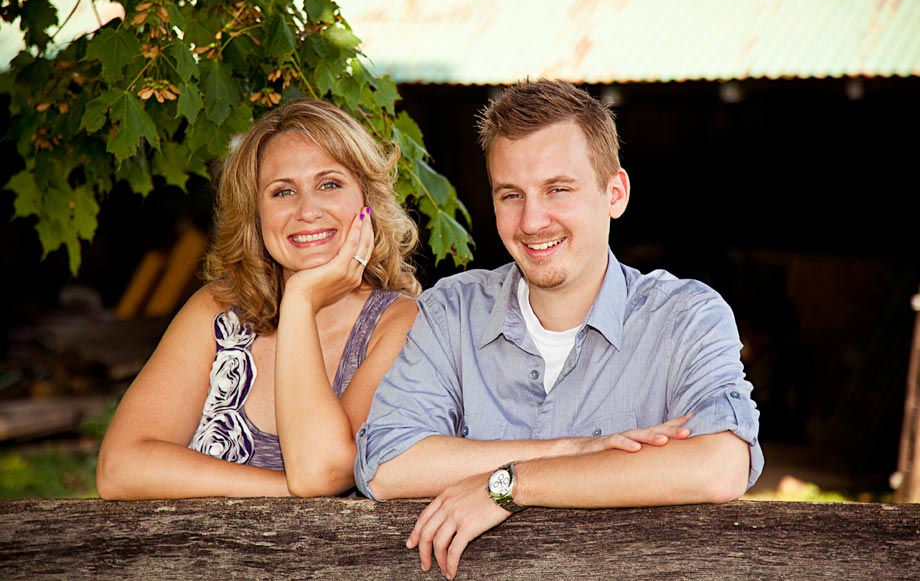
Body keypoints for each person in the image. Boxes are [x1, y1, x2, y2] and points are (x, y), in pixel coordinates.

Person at [354, 79, 763, 579]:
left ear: (615, 193)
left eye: (558, 189)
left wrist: (509, 485)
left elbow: (718, 464)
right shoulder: (450, 312)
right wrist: (577, 449)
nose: (532, 221)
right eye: (511, 195)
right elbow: (387, 463)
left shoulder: (685, 317)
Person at [96, 98, 421, 500]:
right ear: (256, 214)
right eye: (282, 192)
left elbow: (324, 470)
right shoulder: (217, 312)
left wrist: (300, 300)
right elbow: (120, 468)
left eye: (330, 184)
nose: (307, 210)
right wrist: (285, 490)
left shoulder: (400, 323)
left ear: (366, 201)